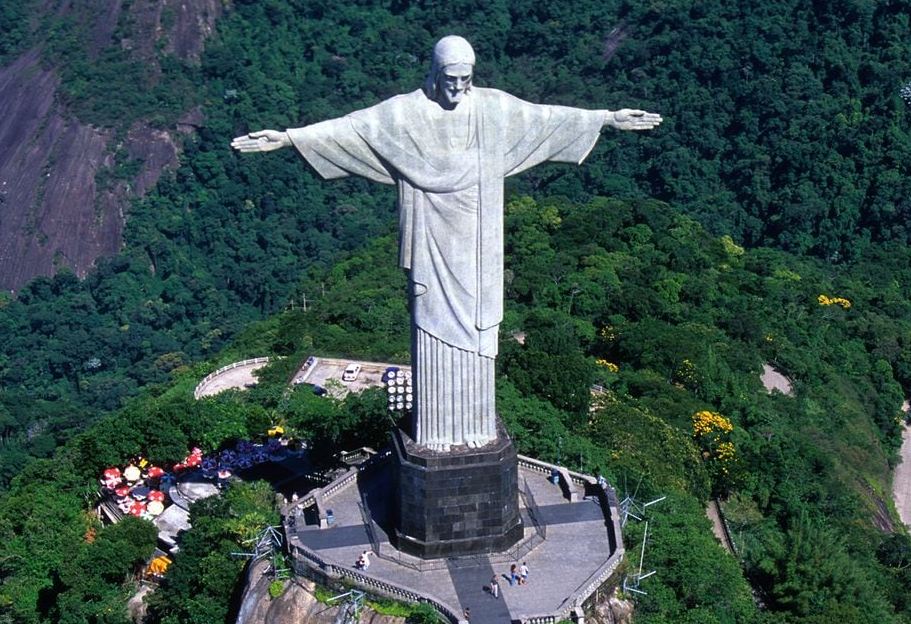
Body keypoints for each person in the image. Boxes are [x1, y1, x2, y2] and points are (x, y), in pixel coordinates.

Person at [233, 36, 661, 451]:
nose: (458, 88)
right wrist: (290, 138)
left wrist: (606, 118)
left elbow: (546, 118)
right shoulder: (405, 114)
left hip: (479, 242)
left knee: (478, 328)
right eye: (450, 78)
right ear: (435, 73)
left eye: (465, 78)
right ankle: (436, 432)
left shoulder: (493, 108)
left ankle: (475, 426)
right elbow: (352, 129)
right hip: (431, 241)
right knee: (432, 323)